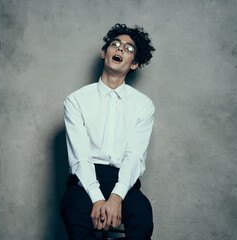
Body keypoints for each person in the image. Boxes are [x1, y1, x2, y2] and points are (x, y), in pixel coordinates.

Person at [60, 23, 156, 240]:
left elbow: (134, 156)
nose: (121, 49)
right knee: (76, 218)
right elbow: (80, 158)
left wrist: (116, 196)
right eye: (115, 44)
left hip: (123, 180)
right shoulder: (76, 100)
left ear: (135, 64)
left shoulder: (143, 105)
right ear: (105, 53)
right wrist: (96, 198)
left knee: (142, 217)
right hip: (83, 181)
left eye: (129, 49)